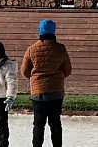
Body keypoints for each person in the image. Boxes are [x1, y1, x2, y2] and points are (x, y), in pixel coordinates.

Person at [21, 19, 72, 147]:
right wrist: (58, 78)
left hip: (38, 92)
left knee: (38, 124)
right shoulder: (60, 48)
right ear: (54, 32)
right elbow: (68, 70)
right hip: (56, 91)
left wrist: (35, 79)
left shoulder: (31, 49)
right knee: (55, 123)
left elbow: (24, 71)